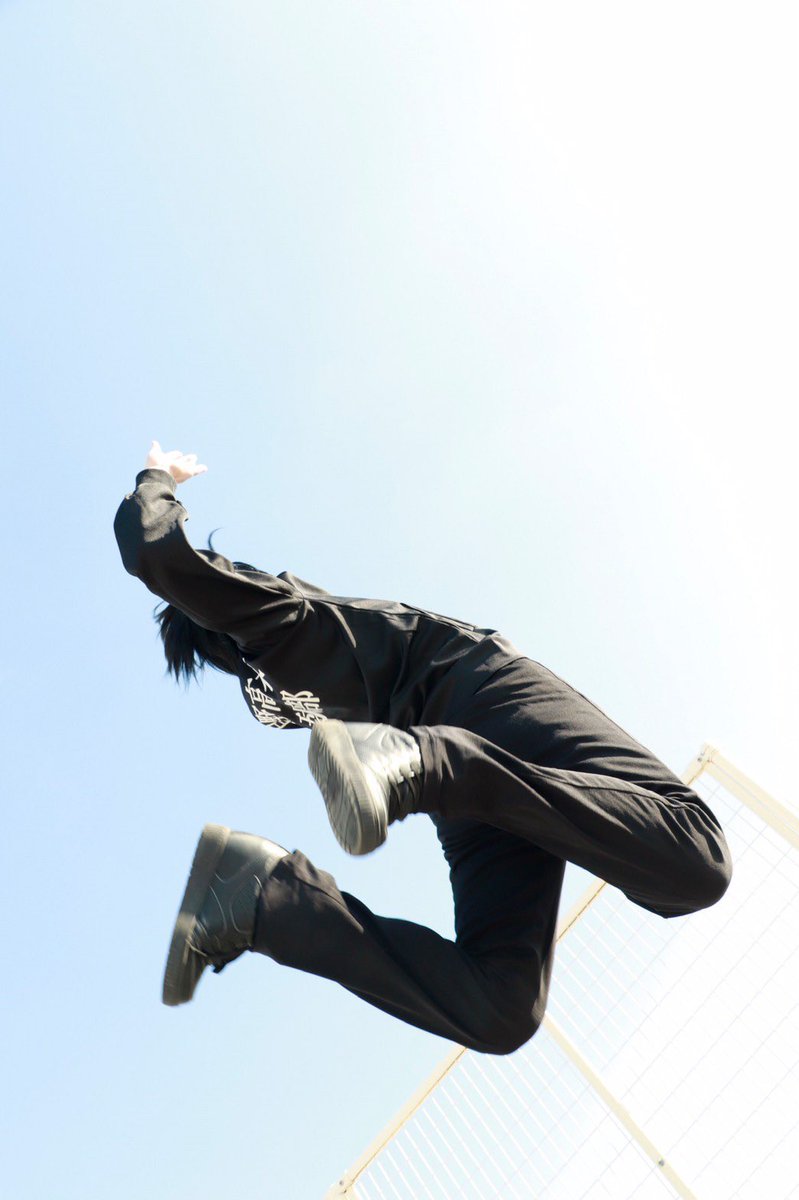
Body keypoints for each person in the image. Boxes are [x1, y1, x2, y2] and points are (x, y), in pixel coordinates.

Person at [114, 440, 733, 1056]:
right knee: (696, 854)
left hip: (450, 780)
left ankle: (267, 897)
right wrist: (157, 477)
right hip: (474, 703)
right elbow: (153, 549)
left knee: (501, 1008)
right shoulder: (277, 615)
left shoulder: (270, 697)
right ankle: (398, 784)